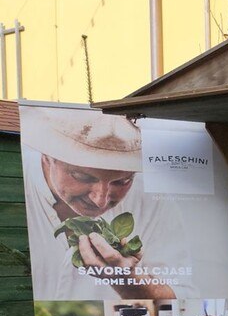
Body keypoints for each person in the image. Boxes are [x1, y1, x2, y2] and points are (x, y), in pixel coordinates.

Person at [22, 107, 191, 302]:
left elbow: (181, 300)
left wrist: (129, 281)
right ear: (47, 156)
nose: (100, 200)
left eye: (122, 182)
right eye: (82, 176)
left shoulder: (154, 202)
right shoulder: (17, 182)